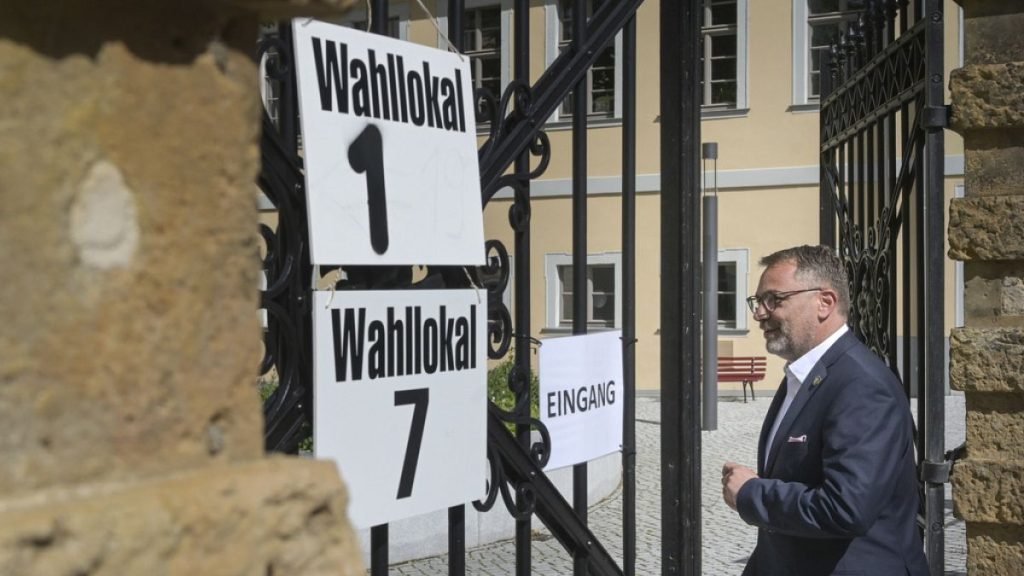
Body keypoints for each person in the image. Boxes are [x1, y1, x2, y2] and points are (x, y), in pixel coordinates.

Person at [721, 245, 928, 576]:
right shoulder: (805, 375)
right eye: (758, 301)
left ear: (825, 302)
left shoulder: (862, 385)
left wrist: (751, 493)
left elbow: (846, 508)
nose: (759, 313)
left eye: (773, 299)